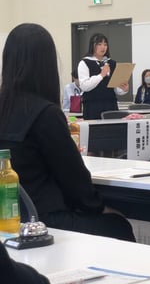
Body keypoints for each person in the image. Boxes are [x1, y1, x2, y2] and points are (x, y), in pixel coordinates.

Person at [0, 23, 135, 242]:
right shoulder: (45, 113)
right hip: (43, 222)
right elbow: (75, 181)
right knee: (118, 225)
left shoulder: (8, 108)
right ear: (47, 64)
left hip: (9, 220)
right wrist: (100, 207)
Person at [78, 33, 129, 120]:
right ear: (92, 45)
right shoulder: (85, 62)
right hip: (92, 106)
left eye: (105, 44)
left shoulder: (112, 63)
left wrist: (124, 89)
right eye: (99, 44)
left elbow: (116, 89)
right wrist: (101, 75)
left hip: (111, 105)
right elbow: (84, 86)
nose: (103, 47)